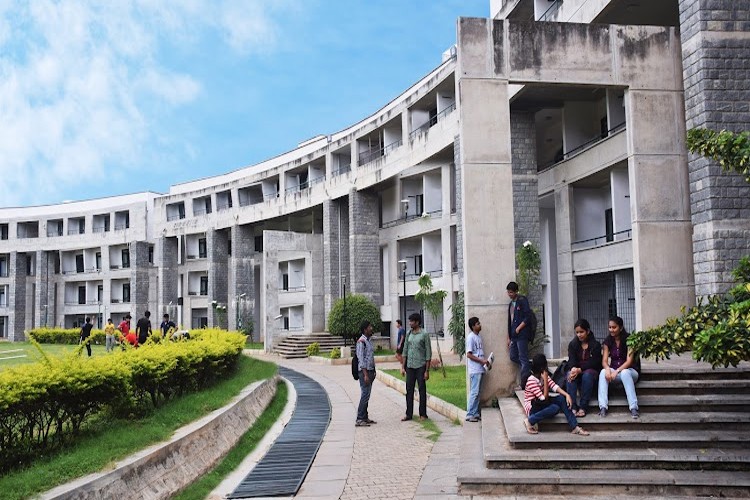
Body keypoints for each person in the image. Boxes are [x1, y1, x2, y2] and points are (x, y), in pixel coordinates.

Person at [523, 353, 590, 436]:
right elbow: (544, 398)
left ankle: (574, 427)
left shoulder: (543, 376)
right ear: (541, 368)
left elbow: (554, 386)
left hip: (541, 404)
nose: (546, 368)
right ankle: (530, 421)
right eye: (545, 366)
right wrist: (545, 381)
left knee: (562, 399)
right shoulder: (531, 381)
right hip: (533, 407)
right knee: (555, 408)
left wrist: (566, 395)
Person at [598, 315, 641, 419]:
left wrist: (617, 371)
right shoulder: (607, 341)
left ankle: (633, 407)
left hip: (631, 372)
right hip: (615, 372)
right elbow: (604, 361)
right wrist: (608, 369)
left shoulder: (630, 339)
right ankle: (603, 407)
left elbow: (629, 361)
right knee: (603, 372)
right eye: (610, 327)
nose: (611, 330)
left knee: (625, 372)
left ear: (620, 328)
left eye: (614, 327)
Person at [566, 318, 602, 417]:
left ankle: (583, 407)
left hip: (591, 372)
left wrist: (580, 369)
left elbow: (595, 362)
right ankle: (572, 406)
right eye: (577, 332)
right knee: (570, 375)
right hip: (577, 371)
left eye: (581, 332)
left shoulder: (596, 345)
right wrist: (573, 368)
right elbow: (571, 360)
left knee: (587, 375)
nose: (579, 335)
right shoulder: (573, 344)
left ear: (588, 331)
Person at [401, 312, 431, 421]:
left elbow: (428, 353)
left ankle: (423, 414)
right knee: (409, 390)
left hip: (421, 366)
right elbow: (405, 350)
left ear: (417, 322)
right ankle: (409, 414)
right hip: (410, 366)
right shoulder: (409, 334)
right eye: (409, 321)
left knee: (421, 390)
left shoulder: (424, 334)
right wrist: (402, 366)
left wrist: (427, 370)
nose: (410, 323)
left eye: (412, 321)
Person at [507, 281, 532, 387]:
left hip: (522, 335)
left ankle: (524, 383)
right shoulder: (510, 305)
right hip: (514, 336)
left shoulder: (522, 300)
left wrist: (519, 328)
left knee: (522, 357)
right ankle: (529, 365)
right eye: (508, 292)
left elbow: (528, 317)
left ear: (516, 291)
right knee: (513, 356)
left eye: (511, 292)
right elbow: (509, 321)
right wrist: (508, 337)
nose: (509, 294)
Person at [465, 316, 491, 422]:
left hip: (480, 369)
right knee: (474, 392)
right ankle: (470, 413)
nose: (480, 325)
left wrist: (486, 362)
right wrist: (481, 361)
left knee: (478, 392)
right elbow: (469, 355)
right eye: (477, 324)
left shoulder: (478, 337)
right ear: (473, 326)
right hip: (475, 370)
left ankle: (475, 413)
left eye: (479, 323)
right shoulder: (471, 337)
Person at [355, 320, 377, 427]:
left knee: (367, 395)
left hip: (370, 371)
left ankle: (365, 417)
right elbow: (361, 360)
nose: (371, 328)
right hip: (365, 372)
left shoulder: (368, 340)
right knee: (365, 394)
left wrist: (374, 370)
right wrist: (365, 374)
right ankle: (359, 418)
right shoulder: (361, 342)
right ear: (365, 329)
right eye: (369, 327)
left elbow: (370, 357)